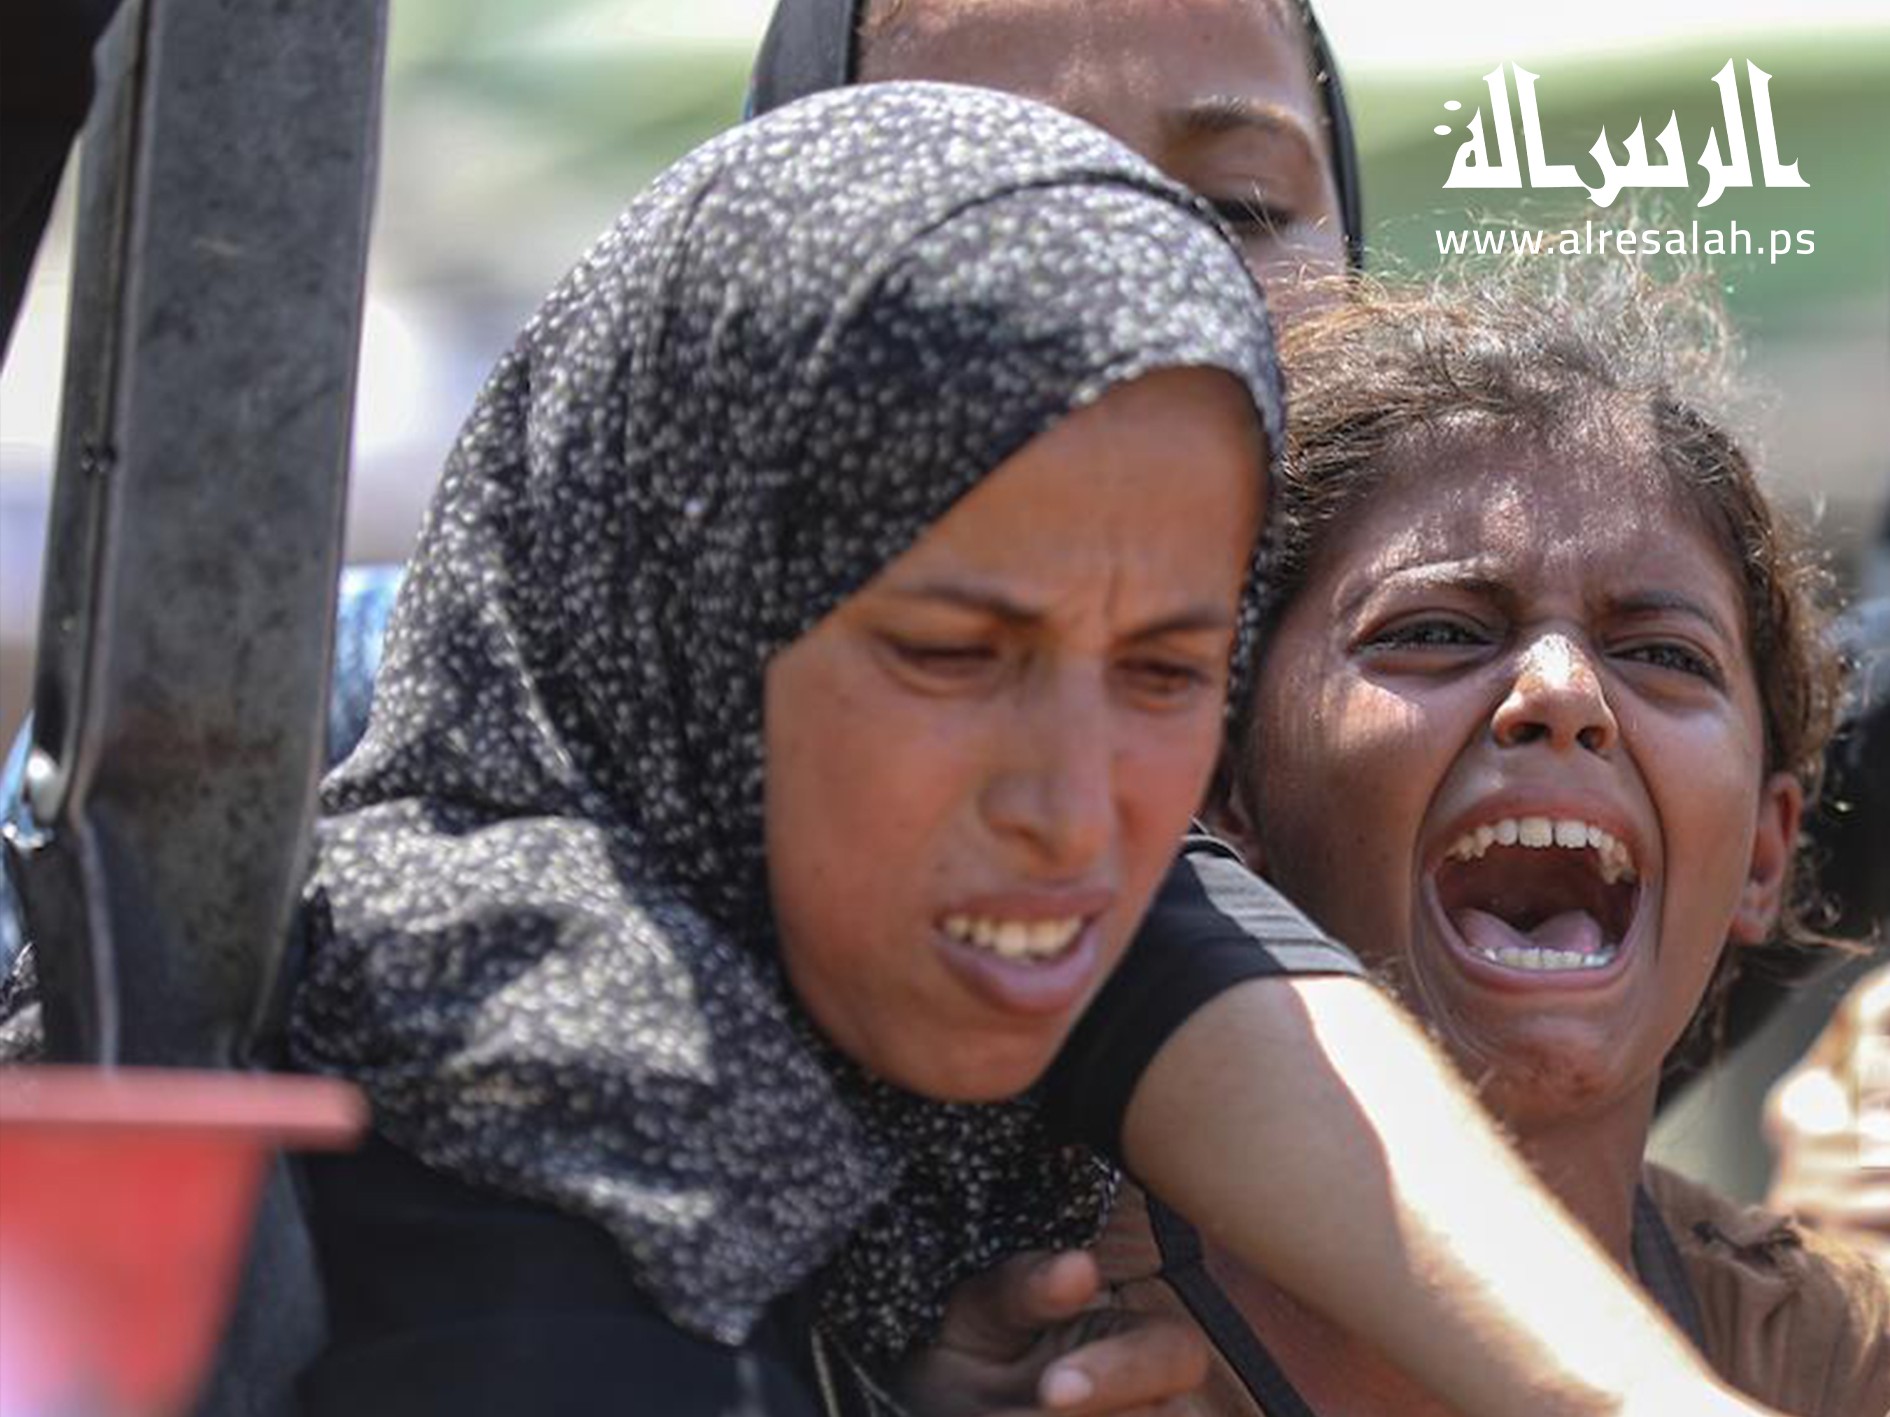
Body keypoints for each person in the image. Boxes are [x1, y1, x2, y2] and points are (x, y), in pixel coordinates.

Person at [1096, 263, 1890, 1417]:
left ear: (1765, 856)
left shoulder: (1832, 1359)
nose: (1564, 693)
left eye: (1661, 654)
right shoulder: (1041, 1352)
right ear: (1228, 797)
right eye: (1436, 632)